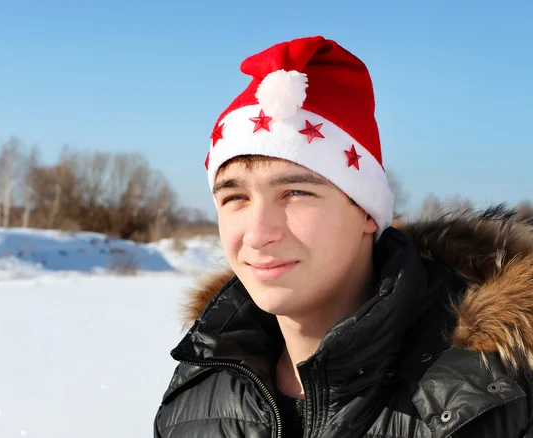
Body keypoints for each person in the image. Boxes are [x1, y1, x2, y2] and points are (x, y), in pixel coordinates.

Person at [153, 35, 533, 437]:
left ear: (367, 212)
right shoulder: (196, 399)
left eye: (296, 193)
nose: (258, 233)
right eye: (235, 197)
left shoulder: (496, 395)